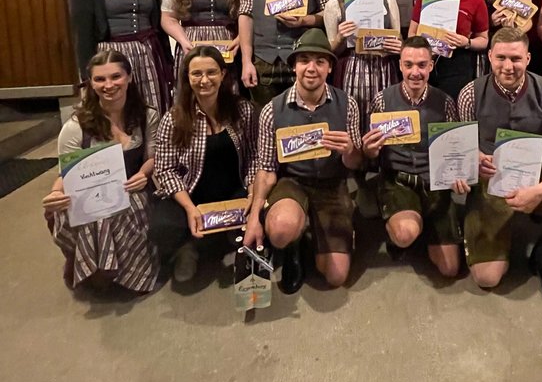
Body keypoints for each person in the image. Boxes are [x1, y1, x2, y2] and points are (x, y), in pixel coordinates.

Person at [455, 27, 542, 304]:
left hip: (536, 173)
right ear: (490, 57)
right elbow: (462, 146)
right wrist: (475, 157)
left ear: (528, 59)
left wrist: (540, 191)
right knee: (487, 278)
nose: (508, 66)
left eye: (516, 58)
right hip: (490, 175)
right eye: (501, 58)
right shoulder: (470, 93)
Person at [244, 30, 363, 291]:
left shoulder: (348, 104)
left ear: (330, 67)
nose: (311, 68)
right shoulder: (272, 110)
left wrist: (350, 150)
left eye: (320, 61)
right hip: (292, 181)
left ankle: (316, 236)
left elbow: (355, 164)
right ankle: (292, 247)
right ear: (294, 66)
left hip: (332, 183)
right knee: (281, 230)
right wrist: (254, 217)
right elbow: (266, 170)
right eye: (304, 60)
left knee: (336, 276)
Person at [42, 50, 160, 294]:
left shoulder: (146, 115)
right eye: (100, 79)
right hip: (90, 192)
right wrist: (55, 193)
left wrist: (143, 174)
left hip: (132, 186)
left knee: (125, 209)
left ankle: (131, 274)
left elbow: (152, 157)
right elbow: (67, 173)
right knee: (79, 211)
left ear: (129, 77)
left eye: (116, 76)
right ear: (91, 83)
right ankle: (95, 270)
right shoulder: (75, 127)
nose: (108, 85)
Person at [150, 46, 257, 283]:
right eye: (196, 74)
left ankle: (224, 238)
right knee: (162, 226)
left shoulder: (243, 110)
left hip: (234, 191)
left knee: (265, 214)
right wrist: (190, 208)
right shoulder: (173, 118)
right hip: (192, 193)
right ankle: (186, 248)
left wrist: (252, 194)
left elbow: (253, 156)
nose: (204, 80)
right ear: (187, 78)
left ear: (223, 74)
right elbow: (165, 170)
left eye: (211, 72)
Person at [362, 36, 461, 276]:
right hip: (398, 180)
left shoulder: (445, 102)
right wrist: (370, 151)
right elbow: (369, 154)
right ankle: (402, 229)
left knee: (450, 269)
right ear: (400, 65)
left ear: (431, 66)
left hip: (435, 182)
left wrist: (458, 175)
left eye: (421, 65)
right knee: (405, 234)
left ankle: (426, 224)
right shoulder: (382, 100)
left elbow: (454, 149)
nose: (415, 72)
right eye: (408, 65)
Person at [323, 0, 401, 129]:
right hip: (351, 69)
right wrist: (340, 37)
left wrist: (398, 47)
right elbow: (330, 51)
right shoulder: (334, 4)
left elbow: (398, 38)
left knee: (383, 121)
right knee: (353, 120)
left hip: (383, 67)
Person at [409, 0, 489, 100]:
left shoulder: (475, 0)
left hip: (457, 66)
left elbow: (484, 39)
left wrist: (466, 42)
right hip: (425, 64)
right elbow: (412, 33)